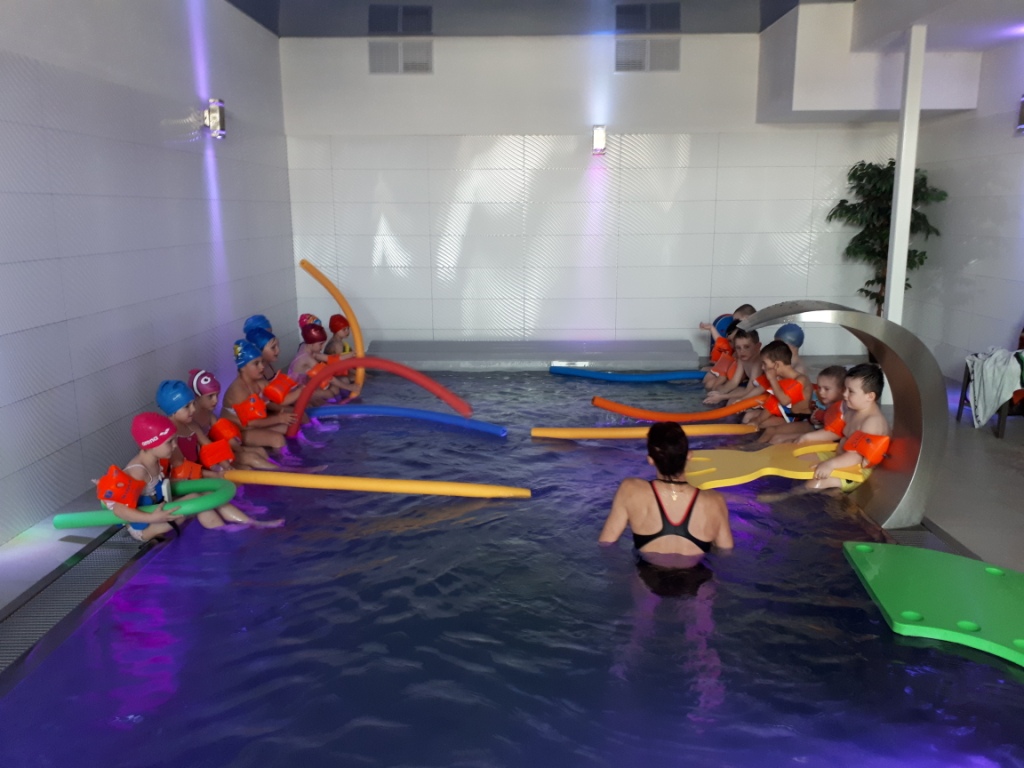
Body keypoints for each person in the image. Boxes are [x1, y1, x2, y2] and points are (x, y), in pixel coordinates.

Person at [599, 422, 734, 566]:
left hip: (646, 576)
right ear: (689, 455)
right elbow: (725, 551)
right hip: (699, 576)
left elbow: (606, 543)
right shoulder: (715, 501)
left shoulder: (630, 489)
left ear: (650, 460)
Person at [155, 380, 282, 528]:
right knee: (212, 493)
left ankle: (244, 508)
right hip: (181, 484)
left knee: (236, 474)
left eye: (192, 404)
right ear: (172, 410)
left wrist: (226, 466)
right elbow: (182, 470)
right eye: (187, 407)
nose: (193, 409)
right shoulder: (170, 437)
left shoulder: (191, 425)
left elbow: (210, 447)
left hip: (196, 474)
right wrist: (216, 475)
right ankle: (247, 523)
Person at [803, 363, 890, 493]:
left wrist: (830, 464)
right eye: (845, 389)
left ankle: (786, 497)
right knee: (804, 459)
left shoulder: (871, 422)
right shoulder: (853, 410)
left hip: (857, 470)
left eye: (851, 391)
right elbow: (836, 432)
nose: (844, 394)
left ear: (870, 396)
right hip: (841, 458)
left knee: (814, 484)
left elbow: (858, 457)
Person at [188, 369, 282, 471]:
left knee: (260, 451)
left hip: (219, 452)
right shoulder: (191, 421)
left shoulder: (209, 415)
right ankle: (279, 474)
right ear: (197, 397)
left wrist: (240, 450)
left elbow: (225, 436)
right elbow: (209, 445)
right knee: (251, 459)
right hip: (211, 460)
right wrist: (230, 464)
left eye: (217, 395)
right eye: (210, 396)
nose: (215, 400)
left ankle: (281, 471)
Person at [222, 339, 297, 450]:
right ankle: (285, 461)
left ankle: (292, 453)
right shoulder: (238, 390)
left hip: (254, 425)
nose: (262, 366)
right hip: (239, 431)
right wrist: (279, 418)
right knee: (277, 439)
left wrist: (302, 390)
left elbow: (281, 399)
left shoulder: (260, 382)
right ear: (243, 367)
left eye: (262, 362)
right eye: (256, 363)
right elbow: (251, 422)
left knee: (290, 427)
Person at [763, 365, 847, 444]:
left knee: (779, 439)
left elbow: (836, 430)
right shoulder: (823, 400)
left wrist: (821, 418)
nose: (821, 392)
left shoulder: (843, 407)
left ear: (842, 390)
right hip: (813, 427)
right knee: (773, 433)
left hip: (822, 434)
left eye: (826, 389)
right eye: (819, 387)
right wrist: (813, 419)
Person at [742, 340, 812, 428]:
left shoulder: (801, 380)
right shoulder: (779, 378)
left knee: (755, 425)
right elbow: (773, 402)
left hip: (797, 418)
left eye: (764, 363)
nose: (762, 367)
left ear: (776, 365)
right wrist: (743, 403)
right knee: (748, 416)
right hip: (784, 414)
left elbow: (785, 401)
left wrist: (772, 379)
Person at [703, 329, 763, 404]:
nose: (742, 351)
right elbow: (734, 382)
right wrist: (718, 392)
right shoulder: (742, 358)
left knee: (732, 401)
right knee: (713, 388)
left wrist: (722, 397)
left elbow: (749, 391)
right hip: (752, 389)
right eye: (738, 347)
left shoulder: (758, 362)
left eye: (747, 347)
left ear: (758, 346)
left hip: (762, 392)